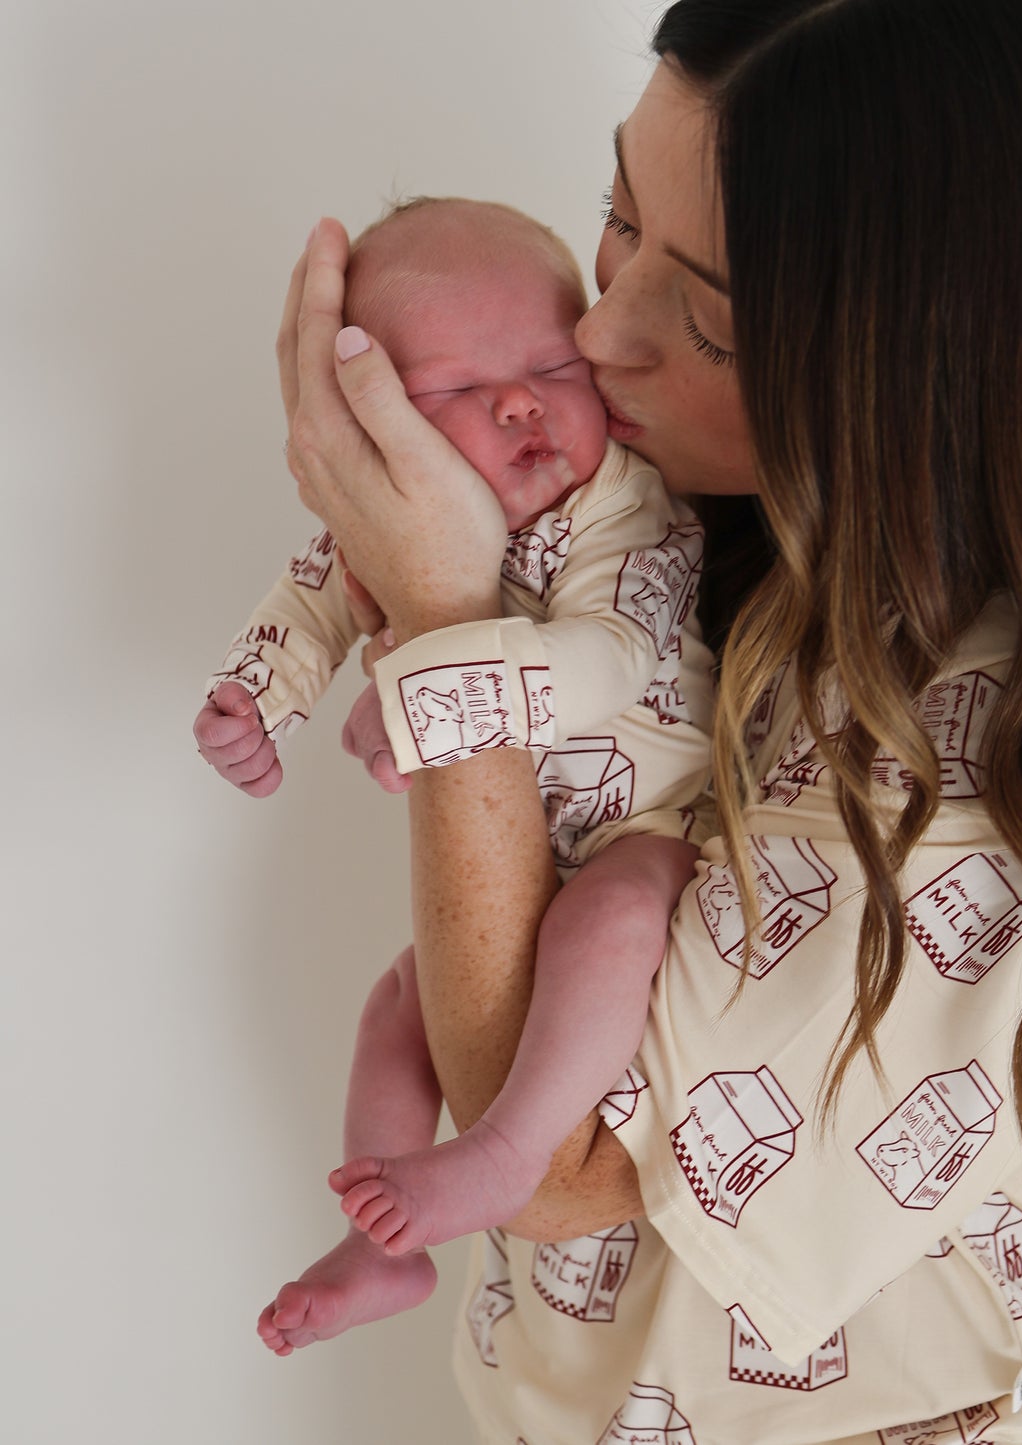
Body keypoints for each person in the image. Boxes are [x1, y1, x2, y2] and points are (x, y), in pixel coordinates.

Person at [275, 1, 1022, 1440]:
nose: (595, 333)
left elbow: (558, 1162)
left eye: (703, 318)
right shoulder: (704, 528)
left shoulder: (983, 758)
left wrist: (452, 642)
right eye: (616, 217)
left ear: (928, 367)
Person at [194, 197, 714, 1354]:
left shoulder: (621, 504)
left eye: (546, 362)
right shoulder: (406, 504)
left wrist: (431, 685)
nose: (518, 402)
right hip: (523, 857)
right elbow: (320, 593)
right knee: (403, 1002)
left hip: (659, 833)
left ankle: (507, 1146)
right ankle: (384, 1253)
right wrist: (257, 694)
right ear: (380, 425)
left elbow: (606, 658)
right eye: (449, 394)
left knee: (614, 910)